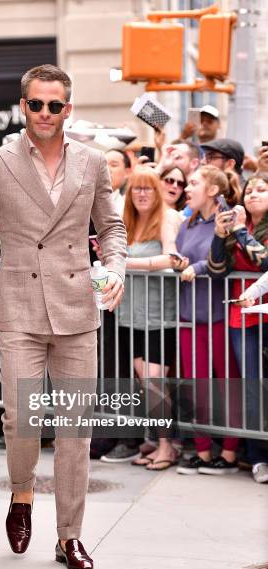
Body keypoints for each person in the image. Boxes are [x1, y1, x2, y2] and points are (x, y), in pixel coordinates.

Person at [0, 64, 127, 569]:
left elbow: (112, 227)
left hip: (78, 309)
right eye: (37, 104)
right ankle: (22, 493)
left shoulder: (94, 163)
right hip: (20, 310)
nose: (46, 113)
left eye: (56, 105)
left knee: (76, 430)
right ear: (23, 106)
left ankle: (69, 537)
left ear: (68, 109)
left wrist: (116, 268)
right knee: (22, 420)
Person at [171, 166, 241, 475]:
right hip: (189, 317)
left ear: (212, 190)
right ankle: (201, 450)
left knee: (229, 386)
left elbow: (221, 264)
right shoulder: (186, 224)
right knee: (195, 386)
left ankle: (228, 453)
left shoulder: (227, 220)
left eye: (194, 183)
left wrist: (197, 268)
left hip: (220, 316)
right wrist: (180, 263)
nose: (187, 187)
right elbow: (181, 258)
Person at [207, 173, 268, 484]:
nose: (253, 193)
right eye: (249, 189)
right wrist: (220, 234)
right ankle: (258, 457)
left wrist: (242, 231)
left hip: (264, 312)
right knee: (253, 386)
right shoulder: (238, 230)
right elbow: (217, 270)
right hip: (242, 319)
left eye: (261, 189)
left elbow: (265, 263)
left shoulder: (251, 230)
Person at [118, 167, 179, 471]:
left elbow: (171, 258)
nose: (142, 194)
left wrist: (126, 262)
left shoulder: (166, 218)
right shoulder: (126, 221)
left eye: (148, 188)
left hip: (159, 315)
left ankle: (167, 446)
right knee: (147, 383)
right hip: (130, 314)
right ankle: (157, 441)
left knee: (155, 382)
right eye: (136, 189)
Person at [105, 148, 131, 215]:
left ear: (127, 172)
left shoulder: (129, 205)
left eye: (114, 165)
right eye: (104, 165)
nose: (107, 169)